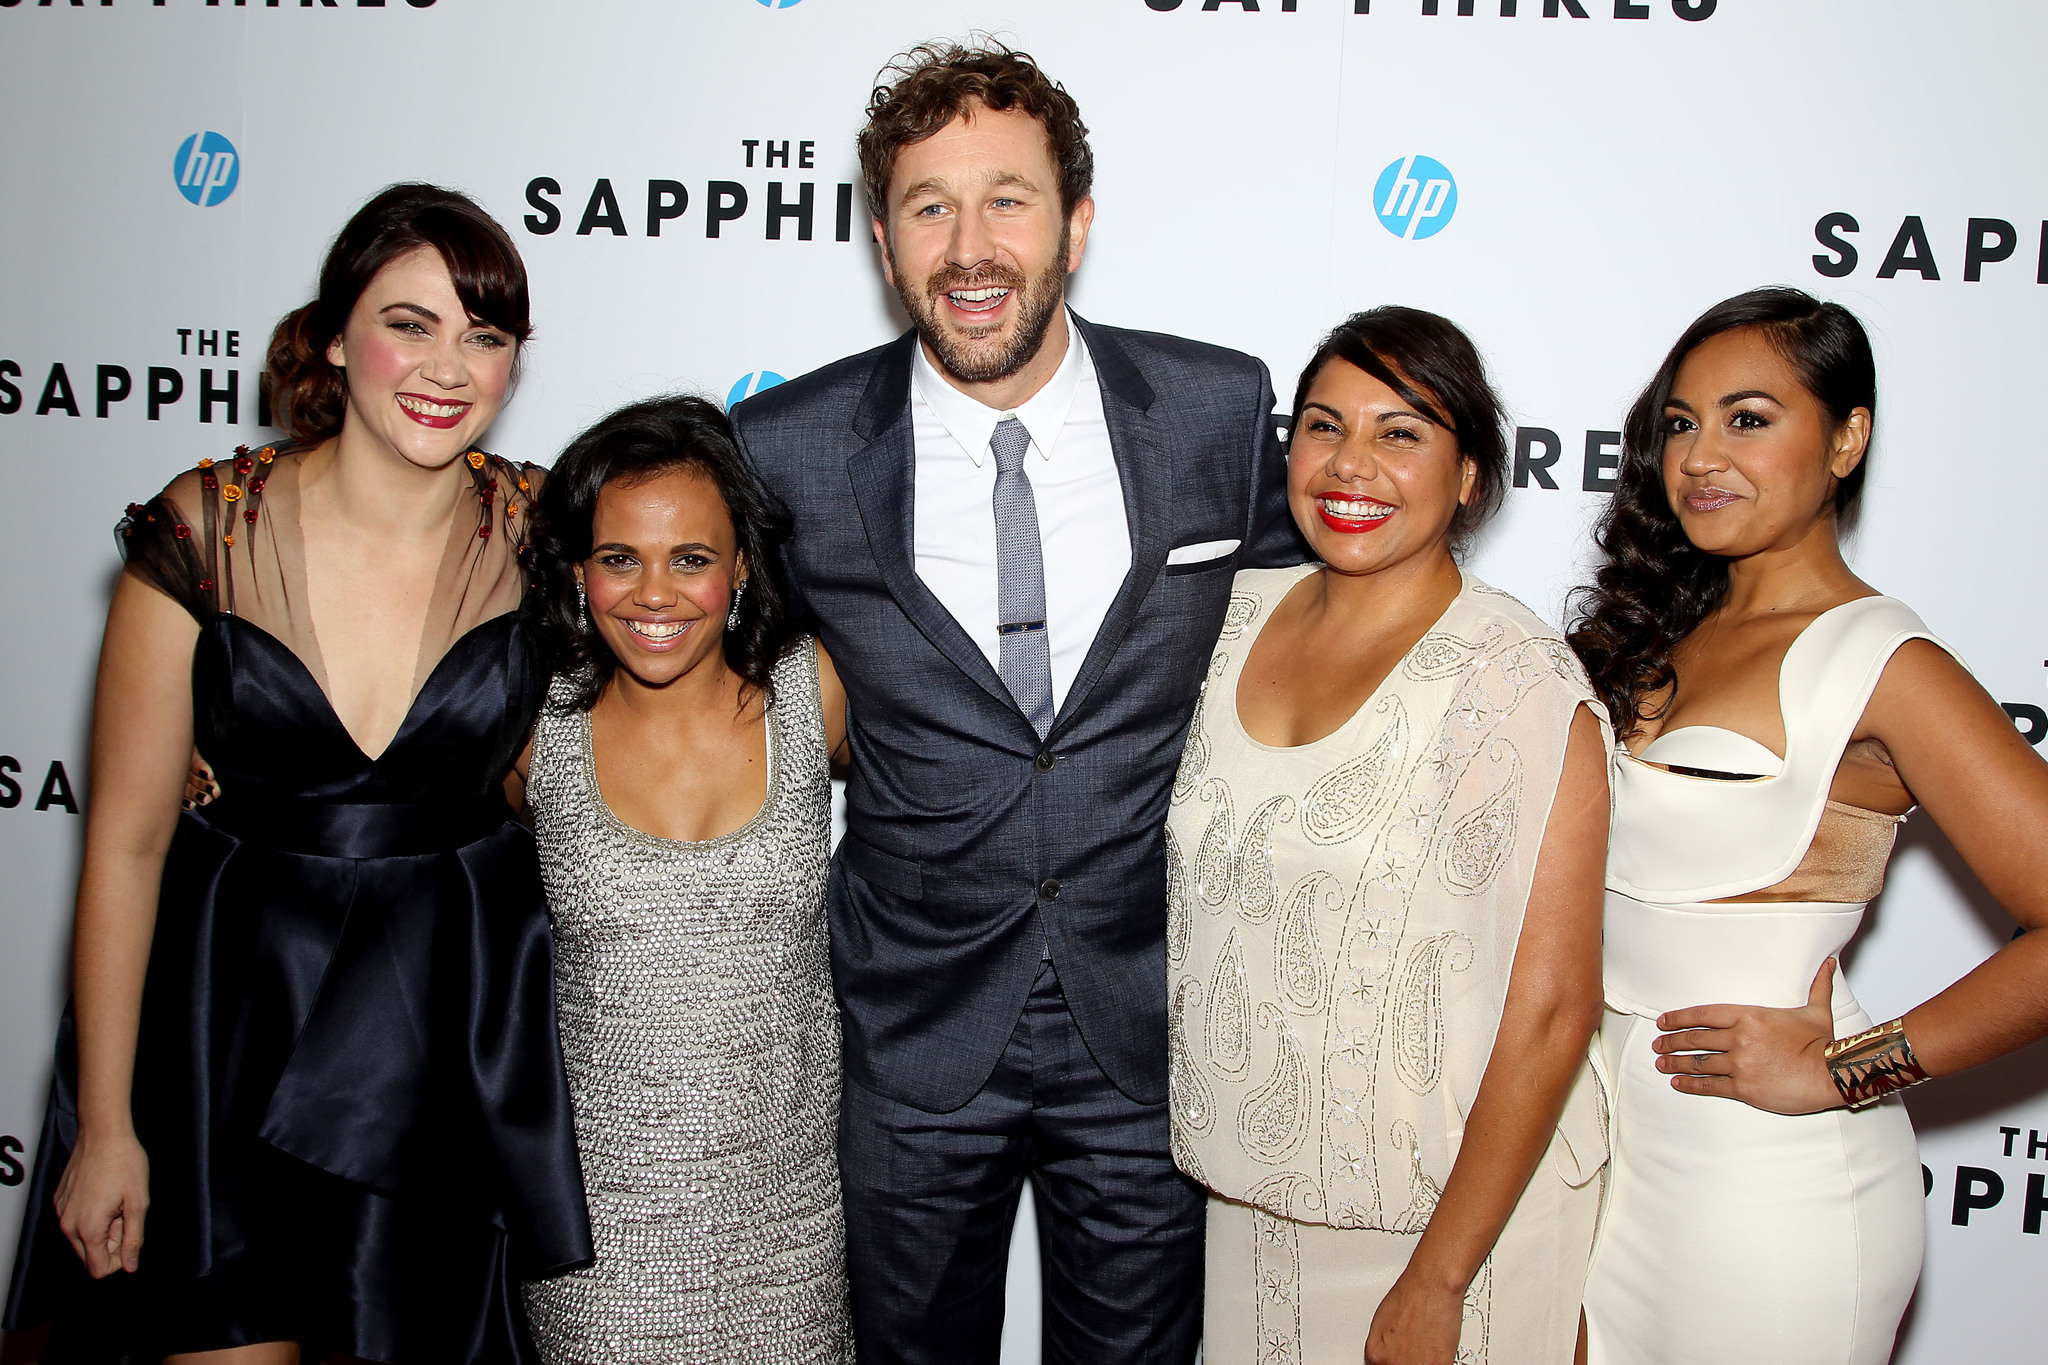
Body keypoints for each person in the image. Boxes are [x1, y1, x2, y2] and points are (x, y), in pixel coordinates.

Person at [729, 40, 1301, 1364]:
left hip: (1154, 1022)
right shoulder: (790, 448)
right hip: (911, 1031)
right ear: (883, 243)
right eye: (929, 206)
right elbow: (700, 680)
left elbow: (1316, 651)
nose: (970, 245)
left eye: (1009, 199)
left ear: (1077, 224)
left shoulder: (1218, 409)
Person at [2, 184, 592, 1364]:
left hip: (439, 1027)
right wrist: (107, 1125)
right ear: (333, 336)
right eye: (408, 322)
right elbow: (122, 844)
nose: (447, 366)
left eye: (483, 335)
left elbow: (585, 772)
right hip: (225, 1013)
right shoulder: (205, 529)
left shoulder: (551, 539)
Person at [1569, 287, 2048, 1364]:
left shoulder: (1885, 664)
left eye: (1747, 419)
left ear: (1845, 438)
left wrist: (1848, 1069)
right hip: (1602, 1170)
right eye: (1679, 423)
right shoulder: (1656, 634)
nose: (1698, 456)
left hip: (1771, 1197)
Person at [1170, 307, 1609, 1365]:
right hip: (1246, 1207)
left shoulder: (1513, 676)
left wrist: (1439, 1278)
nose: (1348, 464)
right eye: (1321, 426)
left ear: (1468, 478)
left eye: (1400, 432)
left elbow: (1552, 1012)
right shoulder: (1226, 619)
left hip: (1454, 1228)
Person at [515, 396, 851, 1362]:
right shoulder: (537, 726)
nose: (652, 593)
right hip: (599, 1240)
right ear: (577, 569)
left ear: (742, 564)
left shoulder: (811, 688)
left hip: (790, 1224)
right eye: (619, 557)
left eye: (690, 558)